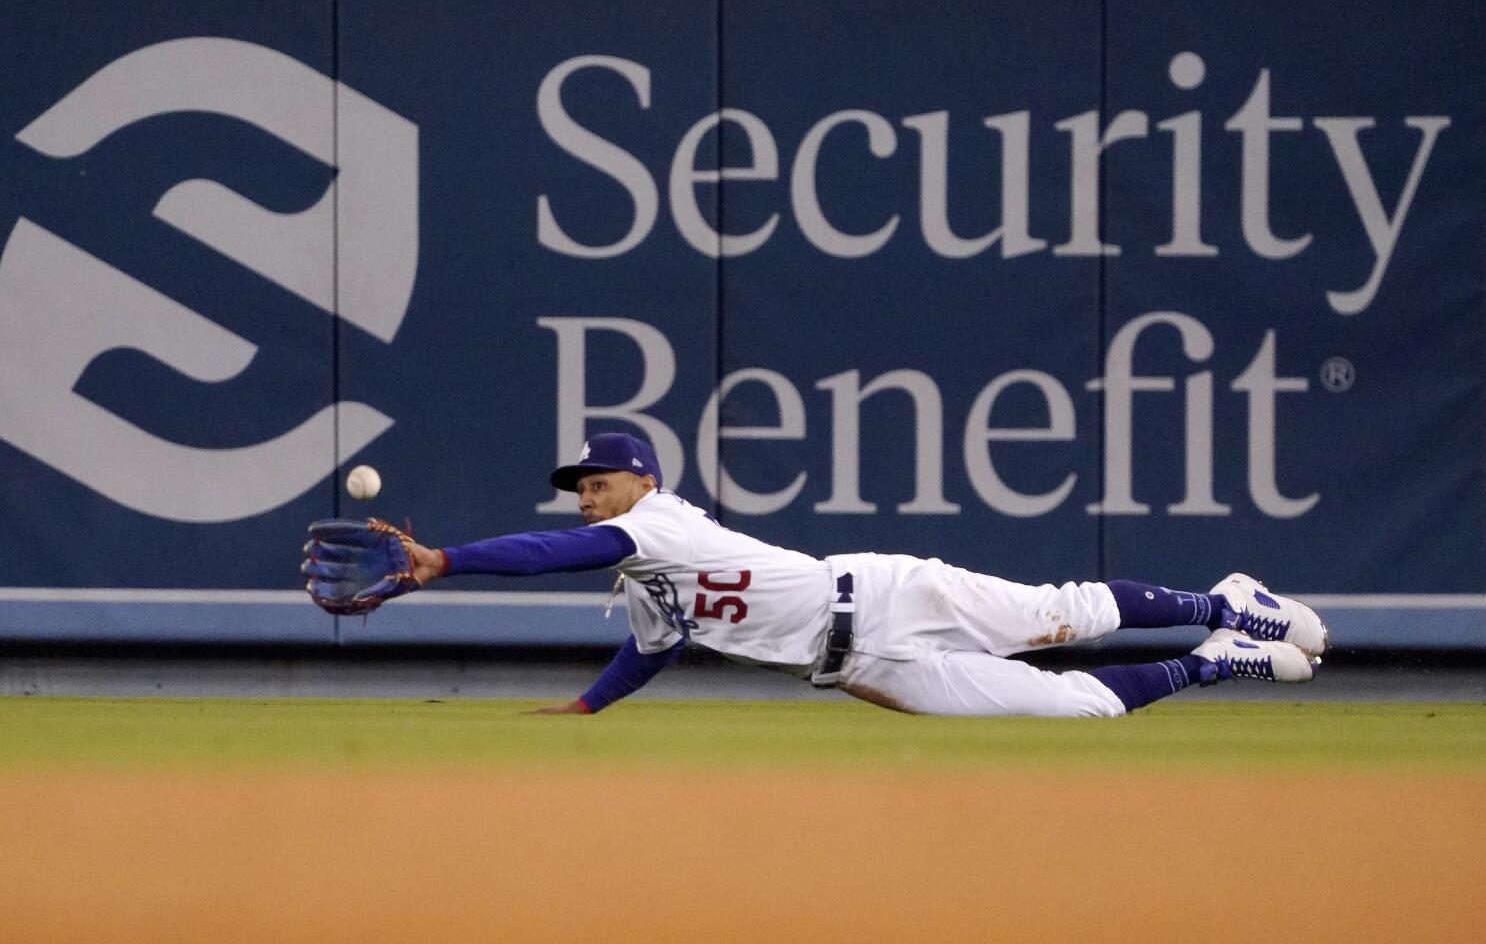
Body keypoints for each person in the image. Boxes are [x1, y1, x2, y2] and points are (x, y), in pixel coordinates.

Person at [395, 432, 1326, 717]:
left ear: (643, 479)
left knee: (1062, 613)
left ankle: (1226, 598)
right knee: (1075, 706)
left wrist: (447, 560)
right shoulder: (645, 573)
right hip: (860, 667)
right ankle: (1214, 657)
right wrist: (587, 710)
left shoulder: (655, 524)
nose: (587, 496)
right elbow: (655, 648)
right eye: (581, 487)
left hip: (881, 592)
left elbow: (561, 551)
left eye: (598, 481)